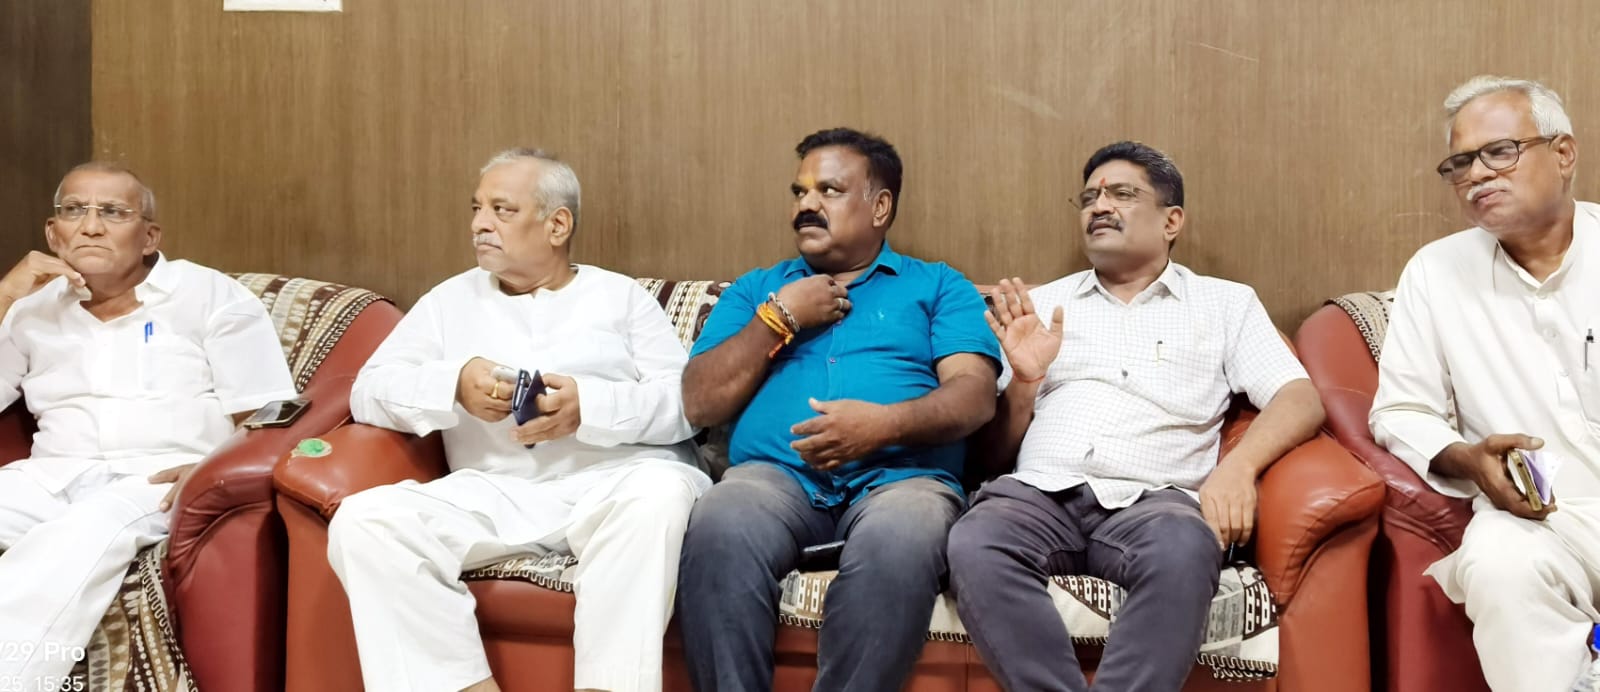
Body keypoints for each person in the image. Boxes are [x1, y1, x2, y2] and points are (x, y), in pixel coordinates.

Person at [947, 141, 1325, 691]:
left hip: (1155, 503)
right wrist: (1025, 383)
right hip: (1037, 495)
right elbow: (989, 457)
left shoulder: (1225, 303)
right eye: (1089, 198)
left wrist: (1239, 468)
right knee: (975, 540)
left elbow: (1300, 397)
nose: (1100, 206)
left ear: (1172, 221)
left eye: (1122, 194)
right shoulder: (1040, 307)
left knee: (1186, 549)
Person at [327, 148, 708, 692]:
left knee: (659, 495)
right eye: (477, 208)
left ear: (557, 225)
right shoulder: (447, 301)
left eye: (502, 210)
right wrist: (453, 384)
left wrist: (588, 407)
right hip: (496, 490)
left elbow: (683, 406)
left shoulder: (621, 298)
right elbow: (369, 391)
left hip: (616, 483)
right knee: (365, 521)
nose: (479, 224)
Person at [674, 127, 1001, 691]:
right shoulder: (758, 290)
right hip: (774, 481)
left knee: (903, 536)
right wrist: (778, 319)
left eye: (828, 190)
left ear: (880, 207)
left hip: (902, 482)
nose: (807, 204)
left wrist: (883, 425)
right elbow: (699, 400)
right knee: (720, 521)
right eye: (799, 191)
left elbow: (974, 396)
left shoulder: (939, 286)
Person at [0, 162, 295, 687]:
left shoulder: (211, 296)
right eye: (75, 210)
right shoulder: (29, 307)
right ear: (53, 232)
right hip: (48, 478)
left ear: (150, 237)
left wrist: (213, 470)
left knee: (81, 534)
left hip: (158, 482)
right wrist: (4, 296)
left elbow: (270, 416)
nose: (91, 226)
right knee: (68, 530)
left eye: (113, 212)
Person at [1371, 75, 1600, 692]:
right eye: (1460, 163)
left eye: (1500, 152)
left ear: (1563, 153)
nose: (1476, 175)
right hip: (1541, 520)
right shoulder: (1436, 271)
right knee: (1498, 564)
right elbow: (1400, 409)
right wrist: (1468, 459)